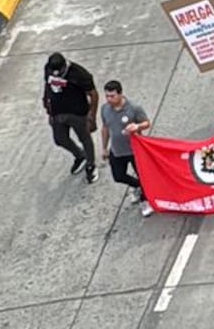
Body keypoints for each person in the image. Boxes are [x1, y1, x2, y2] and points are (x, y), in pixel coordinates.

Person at [43, 49, 98, 182]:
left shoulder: (79, 74)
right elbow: (48, 85)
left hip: (78, 113)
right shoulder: (49, 69)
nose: (56, 74)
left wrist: (92, 116)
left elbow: (93, 94)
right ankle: (80, 156)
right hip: (57, 112)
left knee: (84, 138)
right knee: (60, 139)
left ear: (64, 66)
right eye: (54, 72)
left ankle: (90, 165)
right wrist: (46, 103)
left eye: (59, 72)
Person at [99, 79, 153, 214]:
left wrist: (138, 126)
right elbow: (105, 128)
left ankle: (145, 200)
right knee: (118, 176)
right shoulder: (105, 109)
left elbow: (146, 123)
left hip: (135, 150)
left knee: (143, 176)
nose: (109, 99)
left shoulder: (134, 108)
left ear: (120, 94)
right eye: (107, 96)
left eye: (112, 96)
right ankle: (137, 186)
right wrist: (104, 147)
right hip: (117, 150)